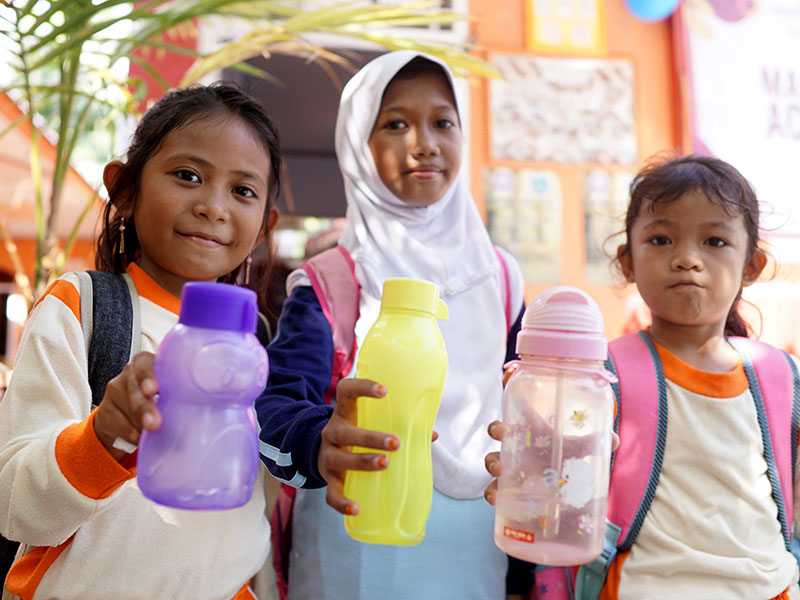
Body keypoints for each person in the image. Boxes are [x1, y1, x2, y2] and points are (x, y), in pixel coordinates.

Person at [256, 51, 526, 599]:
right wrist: (319, 442)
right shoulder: (334, 280)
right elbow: (273, 405)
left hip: (476, 549)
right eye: (395, 123)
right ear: (358, 144)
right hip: (355, 542)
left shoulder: (499, 276)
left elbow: (527, 392)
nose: (423, 143)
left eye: (442, 122)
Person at [0, 83, 282, 600]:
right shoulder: (82, 309)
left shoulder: (255, 343)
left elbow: (243, 518)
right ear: (124, 189)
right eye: (188, 176)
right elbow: (16, 507)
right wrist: (102, 436)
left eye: (243, 190)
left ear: (266, 225)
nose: (213, 207)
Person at [485, 155, 800, 599]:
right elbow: (555, 473)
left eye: (713, 240)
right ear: (628, 261)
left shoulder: (780, 378)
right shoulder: (598, 377)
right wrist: (531, 459)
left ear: (751, 266)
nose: (687, 259)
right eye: (661, 239)